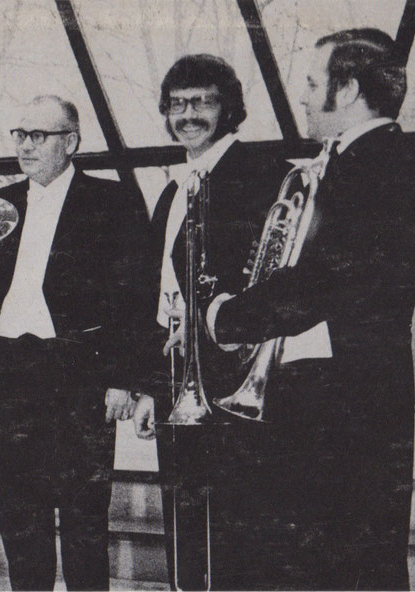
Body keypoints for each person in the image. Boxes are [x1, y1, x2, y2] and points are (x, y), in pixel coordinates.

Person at [204, 29, 415, 589]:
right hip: (331, 398)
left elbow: (316, 284)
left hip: (349, 404)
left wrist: (227, 316)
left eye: (311, 84)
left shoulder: (378, 166)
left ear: (348, 89)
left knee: (348, 562)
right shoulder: (351, 162)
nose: (303, 97)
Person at [0, 95, 155, 591]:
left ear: (70, 142)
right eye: (20, 134)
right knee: (20, 518)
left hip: (81, 375)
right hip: (6, 372)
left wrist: (125, 379)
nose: (25, 146)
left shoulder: (113, 202)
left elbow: (137, 297)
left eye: (39, 136)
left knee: (85, 519)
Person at [130, 54, 291, 590]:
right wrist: (152, 387)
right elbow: (155, 300)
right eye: (177, 104)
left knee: (239, 525)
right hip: (179, 377)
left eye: (202, 101)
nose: (188, 114)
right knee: (184, 516)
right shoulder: (175, 191)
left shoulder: (262, 174)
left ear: (229, 108)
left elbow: (270, 278)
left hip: (232, 377)